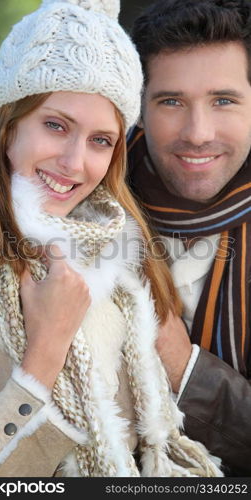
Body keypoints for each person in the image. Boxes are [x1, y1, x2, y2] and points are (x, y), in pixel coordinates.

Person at [0, 0, 222, 478]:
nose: (73, 163)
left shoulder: (121, 262)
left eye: (100, 140)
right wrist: (44, 355)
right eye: (55, 125)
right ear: (8, 125)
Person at [126, 0, 251, 477]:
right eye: (171, 101)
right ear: (139, 106)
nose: (198, 134)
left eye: (224, 100)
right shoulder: (87, 193)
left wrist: (183, 368)